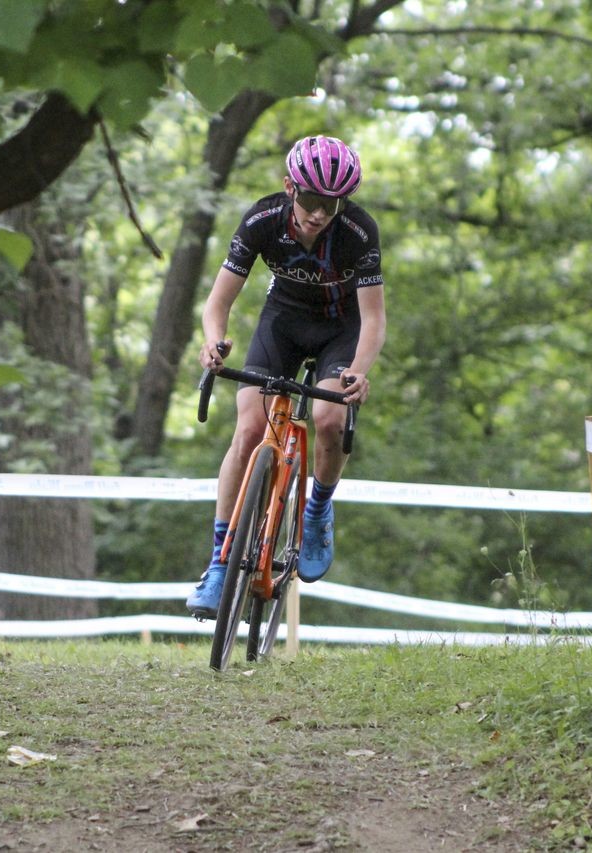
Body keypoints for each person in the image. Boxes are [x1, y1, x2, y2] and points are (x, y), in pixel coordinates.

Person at [186, 135, 386, 619]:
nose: (319, 214)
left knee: (330, 419)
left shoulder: (358, 233)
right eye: (312, 200)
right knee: (250, 429)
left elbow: (374, 319)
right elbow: (218, 302)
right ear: (289, 189)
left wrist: (358, 371)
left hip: (342, 331)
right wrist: (213, 341)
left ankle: (316, 508)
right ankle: (219, 563)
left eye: (331, 204)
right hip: (284, 323)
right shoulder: (262, 220)